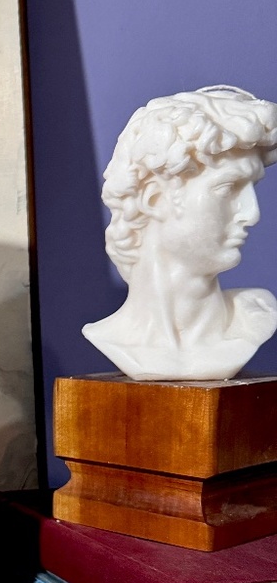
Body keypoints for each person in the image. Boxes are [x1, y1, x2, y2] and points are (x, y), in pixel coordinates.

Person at [83, 85, 277, 380]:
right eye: (227, 188)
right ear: (154, 198)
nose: (252, 214)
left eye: (253, 187)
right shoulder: (112, 339)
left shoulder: (256, 319)